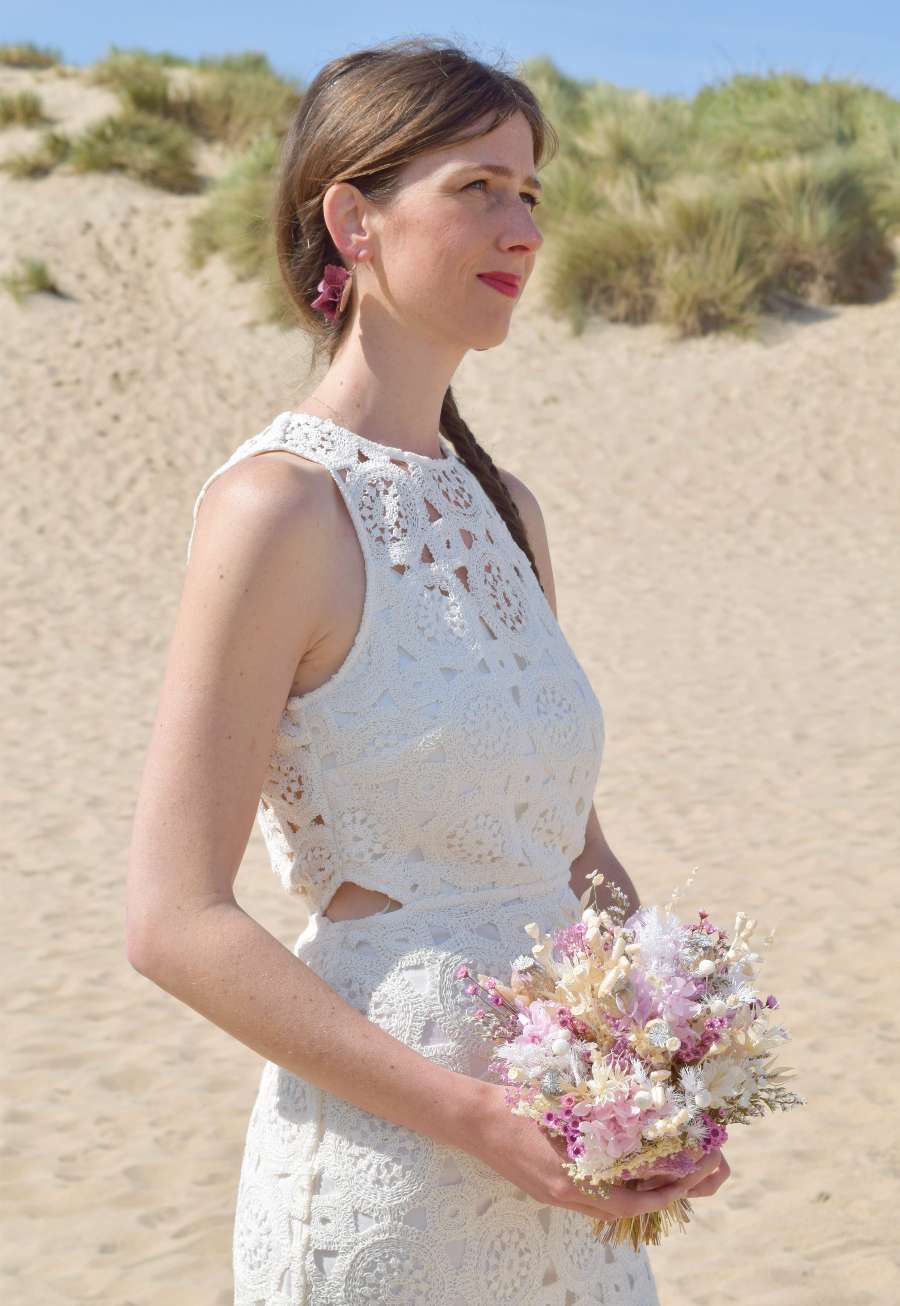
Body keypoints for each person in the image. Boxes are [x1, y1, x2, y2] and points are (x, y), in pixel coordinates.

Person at [125, 35, 729, 1305]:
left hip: (566, 1176)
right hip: (388, 1169)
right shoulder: (275, 509)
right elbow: (174, 921)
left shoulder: (508, 509)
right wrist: (473, 1115)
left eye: (533, 194)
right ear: (352, 219)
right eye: (477, 189)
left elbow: (573, 851)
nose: (521, 226)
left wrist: (670, 1065)